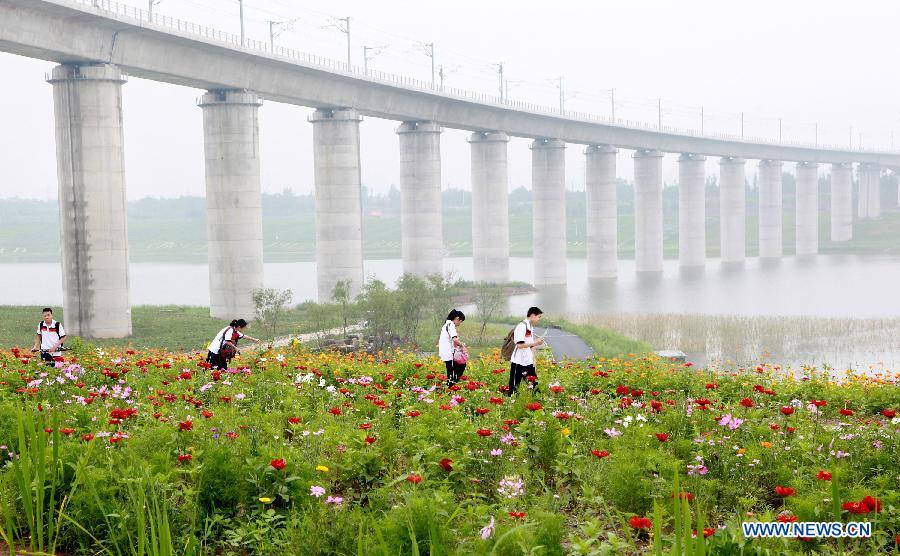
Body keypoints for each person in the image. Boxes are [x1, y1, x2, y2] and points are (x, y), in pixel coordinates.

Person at [507, 307, 544, 395]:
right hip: (518, 362)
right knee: (514, 387)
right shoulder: (521, 327)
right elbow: (519, 345)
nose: (539, 319)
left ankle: (538, 401)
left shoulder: (530, 327)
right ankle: (512, 404)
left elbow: (531, 344)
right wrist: (536, 342)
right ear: (532, 315)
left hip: (527, 361)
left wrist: (534, 359)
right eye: (539, 317)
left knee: (534, 384)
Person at [438, 309, 467, 386]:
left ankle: (450, 386)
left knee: (452, 371)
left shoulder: (446, 325)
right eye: (460, 321)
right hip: (448, 353)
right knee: (456, 370)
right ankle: (450, 387)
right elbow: (455, 339)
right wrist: (462, 345)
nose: (459, 324)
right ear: (457, 319)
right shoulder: (451, 325)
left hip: (446, 352)